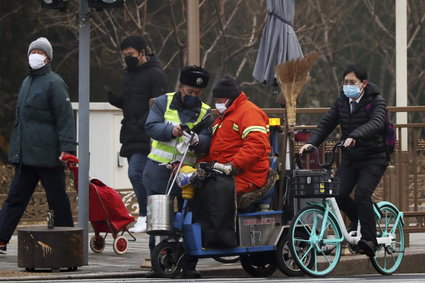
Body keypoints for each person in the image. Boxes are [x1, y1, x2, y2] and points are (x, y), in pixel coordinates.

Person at [299, 64, 388, 257]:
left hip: (374, 158)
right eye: (345, 82)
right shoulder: (342, 101)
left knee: (363, 194)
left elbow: (377, 122)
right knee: (337, 193)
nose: (347, 86)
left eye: (352, 82)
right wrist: (311, 144)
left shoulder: (376, 101)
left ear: (363, 84)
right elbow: (326, 123)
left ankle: (369, 240)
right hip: (351, 157)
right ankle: (358, 217)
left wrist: (355, 134)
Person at [0, 37, 76, 254]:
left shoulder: (55, 83)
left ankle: (67, 242)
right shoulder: (26, 82)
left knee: (58, 200)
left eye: (39, 52)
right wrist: (16, 151)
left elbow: (64, 118)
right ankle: (1, 239)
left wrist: (67, 148)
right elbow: (21, 121)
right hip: (26, 156)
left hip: (49, 155)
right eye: (33, 51)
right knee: (15, 199)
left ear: (48, 57)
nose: (35, 55)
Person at [142, 65, 212, 278]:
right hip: (158, 169)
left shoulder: (205, 112)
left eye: (198, 93)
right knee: (158, 218)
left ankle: (189, 265)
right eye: (190, 91)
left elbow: (208, 139)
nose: (194, 96)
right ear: (181, 87)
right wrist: (171, 130)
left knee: (189, 217)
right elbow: (150, 126)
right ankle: (160, 262)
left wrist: (199, 141)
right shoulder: (162, 102)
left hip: (187, 173)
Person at [107, 35, 167, 233]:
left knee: (139, 174)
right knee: (137, 174)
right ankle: (146, 215)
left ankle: (145, 214)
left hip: (148, 134)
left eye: (131, 54)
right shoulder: (130, 74)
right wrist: (117, 100)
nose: (128, 58)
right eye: (125, 55)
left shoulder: (156, 74)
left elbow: (159, 105)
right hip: (131, 133)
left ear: (142, 52)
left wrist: (143, 123)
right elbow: (130, 101)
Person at [204, 74, 271, 195]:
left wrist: (234, 166)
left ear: (230, 98)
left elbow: (257, 144)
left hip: (247, 176)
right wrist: (201, 164)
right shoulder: (224, 117)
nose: (217, 104)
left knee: (213, 192)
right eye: (216, 100)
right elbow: (218, 148)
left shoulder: (249, 113)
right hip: (225, 174)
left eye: (220, 100)